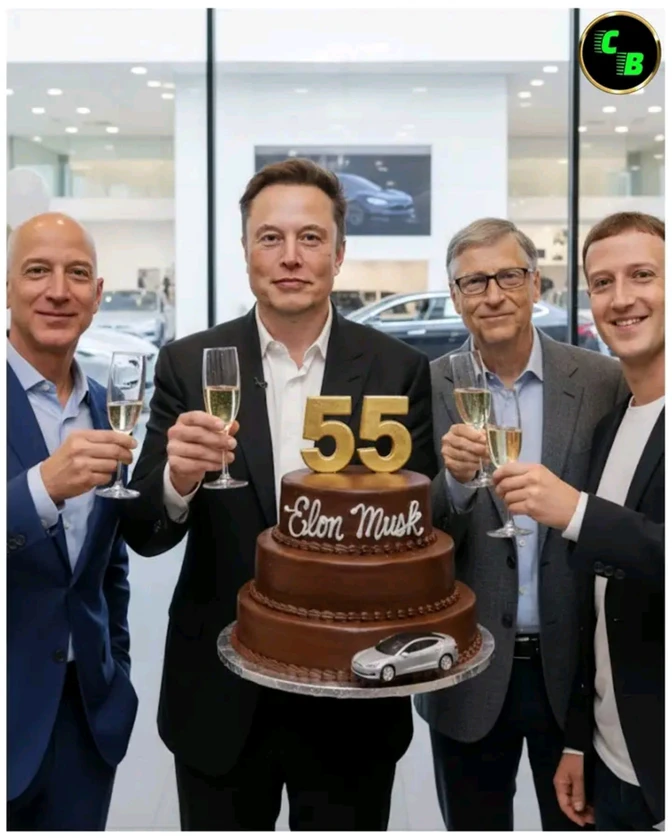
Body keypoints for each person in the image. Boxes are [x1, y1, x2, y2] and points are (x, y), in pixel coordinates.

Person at [120, 158, 436, 831]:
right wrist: (177, 481)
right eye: (270, 237)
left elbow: (424, 529)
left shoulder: (398, 369)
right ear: (245, 250)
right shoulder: (189, 363)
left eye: (310, 237)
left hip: (352, 691)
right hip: (219, 694)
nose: (290, 256)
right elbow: (145, 531)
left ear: (339, 254)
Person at [414, 217, 627, 830]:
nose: (493, 295)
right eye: (474, 282)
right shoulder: (428, 385)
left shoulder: (603, 381)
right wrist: (455, 483)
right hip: (466, 669)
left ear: (535, 284)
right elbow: (411, 527)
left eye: (509, 276)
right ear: (455, 296)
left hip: (575, 674)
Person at [492, 212, 664, 831]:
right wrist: (576, 741)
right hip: (611, 760)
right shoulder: (612, 425)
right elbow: (598, 606)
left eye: (642, 275)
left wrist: (577, 513)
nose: (621, 299)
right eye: (603, 283)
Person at [6, 213, 139, 830]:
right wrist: (40, 489)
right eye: (38, 271)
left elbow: (108, 570)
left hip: (87, 722)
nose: (58, 291)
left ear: (98, 294)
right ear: (8, 286)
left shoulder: (108, 409)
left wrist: (117, 672)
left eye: (77, 274)